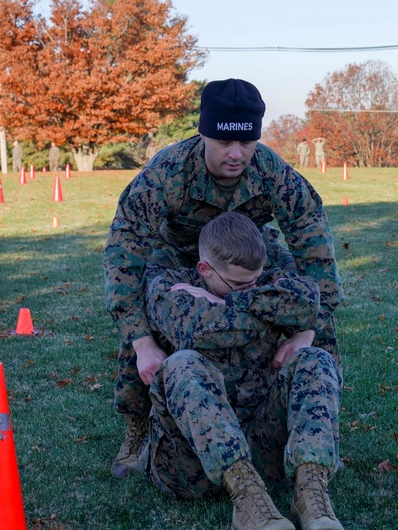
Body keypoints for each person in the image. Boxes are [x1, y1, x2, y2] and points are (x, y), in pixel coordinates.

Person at [104, 78, 343, 480]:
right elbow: (124, 254)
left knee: (319, 322)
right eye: (223, 143)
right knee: (147, 315)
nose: (236, 155)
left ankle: (318, 428)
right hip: (180, 254)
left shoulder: (272, 172)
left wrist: (307, 330)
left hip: (247, 252)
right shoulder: (167, 172)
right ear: (204, 134)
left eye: (246, 143)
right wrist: (142, 343)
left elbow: (312, 240)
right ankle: (137, 426)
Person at [145, 212, 343, 530]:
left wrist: (226, 301)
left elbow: (308, 303)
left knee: (315, 359)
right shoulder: (169, 287)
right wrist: (270, 311)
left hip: (262, 443)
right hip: (189, 465)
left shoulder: (260, 280)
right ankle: (247, 501)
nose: (250, 287)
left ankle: (311, 493)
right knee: (181, 364)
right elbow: (201, 330)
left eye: (255, 281)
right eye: (238, 284)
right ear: (204, 269)